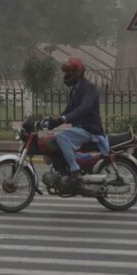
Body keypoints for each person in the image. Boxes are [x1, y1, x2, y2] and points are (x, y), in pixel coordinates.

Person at [49, 57, 109, 191]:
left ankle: (75, 171)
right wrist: (52, 121)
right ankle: (62, 168)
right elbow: (69, 110)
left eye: (70, 72)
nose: (67, 75)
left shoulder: (88, 87)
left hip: (90, 129)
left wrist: (64, 119)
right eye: (66, 73)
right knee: (53, 136)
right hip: (80, 128)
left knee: (61, 137)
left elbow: (85, 108)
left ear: (77, 72)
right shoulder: (75, 89)